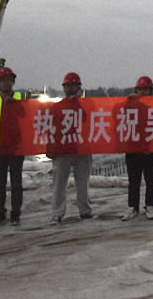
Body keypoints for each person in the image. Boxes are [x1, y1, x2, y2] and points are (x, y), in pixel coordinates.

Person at [0, 67, 26, 225]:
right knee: (0, 183)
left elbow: (27, 118)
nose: (6, 83)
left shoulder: (21, 98)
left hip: (16, 148)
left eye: (9, 80)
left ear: (13, 82)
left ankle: (16, 213)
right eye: (3, 80)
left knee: (16, 182)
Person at [50, 72, 93, 225]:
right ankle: (57, 213)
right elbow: (51, 129)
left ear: (79, 87)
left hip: (81, 149)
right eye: (68, 85)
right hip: (63, 151)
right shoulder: (57, 107)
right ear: (64, 87)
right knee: (59, 184)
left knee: (83, 183)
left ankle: (85, 210)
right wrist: (50, 148)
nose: (70, 88)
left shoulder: (86, 106)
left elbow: (90, 123)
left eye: (73, 85)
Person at [122, 76, 153, 221]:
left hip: (150, 148)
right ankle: (133, 207)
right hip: (133, 148)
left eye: (146, 89)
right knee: (133, 180)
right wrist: (128, 102)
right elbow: (121, 117)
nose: (143, 92)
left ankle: (150, 206)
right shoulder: (130, 105)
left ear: (151, 91)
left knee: (151, 180)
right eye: (140, 89)